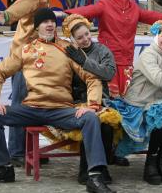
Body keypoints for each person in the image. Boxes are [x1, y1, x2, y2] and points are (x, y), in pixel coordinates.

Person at [0, 8, 115, 193]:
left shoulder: (67, 48)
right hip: (31, 109)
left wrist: (92, 106)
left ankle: (95, 177)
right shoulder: (26, 50)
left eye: (51, 21)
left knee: (91, 118)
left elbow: (92, 78)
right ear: (36, 27)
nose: (49, 24)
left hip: (60, 109)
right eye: (44, 22)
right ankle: (4, 168)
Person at [56, 0, 162, 99]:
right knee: (108, 99)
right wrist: (65, 13)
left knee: (126, 99)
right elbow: (88, 10)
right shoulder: (105, 4)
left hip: (127, 62)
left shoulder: (134, 8)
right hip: (107, 61)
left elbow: (153, 16)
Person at [107, 20, 162, 185]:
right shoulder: (148, 54)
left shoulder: (161, 55)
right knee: (159, 121)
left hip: (152, 102)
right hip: (137, 104)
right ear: (156, 36)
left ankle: (160, 162)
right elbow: (158, 79)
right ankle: (150, 166)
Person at [0, 0, 58, 166]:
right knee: (21, 101)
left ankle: (30, 149)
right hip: (24, 54)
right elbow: (22, 5)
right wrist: (6, 15)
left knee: (34, 100)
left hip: (37, 51)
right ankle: (17, 152)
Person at [44, 14, 117, 185]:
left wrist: (84, 61)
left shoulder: (102, 50)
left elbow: (109, 73)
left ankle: (101, 167)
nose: (85, 39)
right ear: (73, 39)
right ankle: (85, 169)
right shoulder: (68, 53)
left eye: (87, 34)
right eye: (80, 37)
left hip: (101, 99)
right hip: (76, 101)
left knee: (106, 126)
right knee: (90, 122)